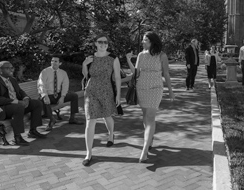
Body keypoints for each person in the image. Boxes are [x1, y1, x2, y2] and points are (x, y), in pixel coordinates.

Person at [126, 31, 175, 163]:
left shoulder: (162, 56)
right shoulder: (141, 55)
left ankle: (145, 149)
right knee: (145, 115)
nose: (142, 42)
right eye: (142, 40)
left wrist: (170, 90)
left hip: (155, 89)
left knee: (150, 117)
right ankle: (150, 138)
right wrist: (128, 60)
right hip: (141, 88)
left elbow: (166, 73)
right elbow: (135, 73)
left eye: (145, 40)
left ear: (152, 41)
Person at [81, 34, 121, 166]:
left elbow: (117, 77)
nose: (103, 44)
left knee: (107, 116)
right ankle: (89, 153)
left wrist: (118, 94)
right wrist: (84, 64)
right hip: (91, 91)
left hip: (106, 91)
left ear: (107, 45)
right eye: (100, 42)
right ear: (96, 43)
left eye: (105, 42)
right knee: (90, 120)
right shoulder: (90, 58)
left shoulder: (113, 59)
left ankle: (110, 135)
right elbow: (86, 75)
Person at [0, 61, 46, 146]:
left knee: (37, 103)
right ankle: (17, 138)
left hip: (15, 106)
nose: (11, 70)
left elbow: (20, 91)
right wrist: (17, 102)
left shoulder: (12, 79)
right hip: (1, 108)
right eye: (8, 68)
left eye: (12, 68)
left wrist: (26, 98)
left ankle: (33, 131)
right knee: (18, 107)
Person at [37, 55, 84, 131]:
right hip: (48, 95)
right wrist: (45, 95)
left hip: (58, 95)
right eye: (52, 61)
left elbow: (65, 85)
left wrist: (62, 96)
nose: (53, 63)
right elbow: (41, 84)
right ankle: (52, 120)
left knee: (74, 96)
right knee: (44, 100)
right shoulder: (45, 72)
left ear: (60, 63)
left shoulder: (63, 73)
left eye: (56, 61)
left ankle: (72, 118)